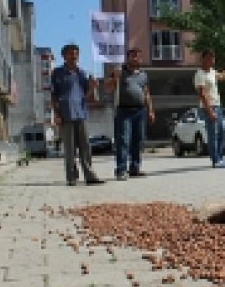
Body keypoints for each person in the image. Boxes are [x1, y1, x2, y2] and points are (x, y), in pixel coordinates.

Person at [50, 44, 103, 186]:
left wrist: (92, 87)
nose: (74, 57)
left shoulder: (82, 73)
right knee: (70, 149)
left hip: (81, 113)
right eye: (70, 54)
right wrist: (57, 114)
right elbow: (54, 95)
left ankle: (90, 175)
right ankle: (71, 177)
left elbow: (87, 96)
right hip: (66, 114)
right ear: (64, 56)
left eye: (76, 54)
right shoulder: (57, 72)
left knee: (85, 147)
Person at [104, 48, 155, 180]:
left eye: (138, 57)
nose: (135, 59)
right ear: (127, 58)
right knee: (123, 141)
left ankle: (135, 168)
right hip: (124, 111)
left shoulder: (143, 75)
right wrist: (115, 78)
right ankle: (121, 170)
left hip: (140, 111)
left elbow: (146, 93)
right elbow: (107, 88)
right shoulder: (120, 71)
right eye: (132, 56)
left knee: (138, 141)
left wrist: (150, 110)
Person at [194, 50, 225, 168]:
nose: (211, 61)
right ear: (203, 59)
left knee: (222, 132)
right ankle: (215, 160)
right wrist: (209, 110)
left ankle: (221, 157)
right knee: (213, 134)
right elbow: (202, 94)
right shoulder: (199, 74)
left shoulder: (212, 72)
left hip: (217, 106)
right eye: (209, 58)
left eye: (213, 58)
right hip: (209, 107)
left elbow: (222, 76)